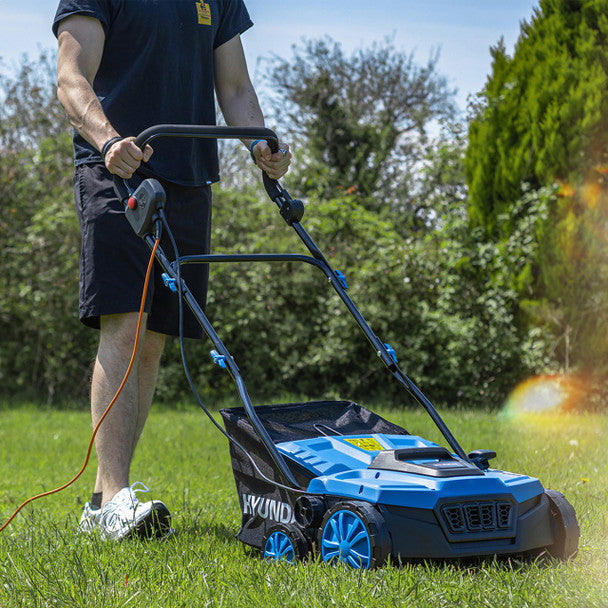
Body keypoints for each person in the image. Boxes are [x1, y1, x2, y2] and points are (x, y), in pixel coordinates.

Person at [53, 0, 291, 541]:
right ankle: (116, 496)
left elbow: (234, 86)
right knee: (125, 323)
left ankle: (103, 503)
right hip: (116, 169)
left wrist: (261, 141)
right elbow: (72, 78)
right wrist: (108, 140)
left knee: (154, 338)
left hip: (190, 175)